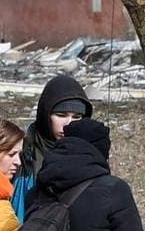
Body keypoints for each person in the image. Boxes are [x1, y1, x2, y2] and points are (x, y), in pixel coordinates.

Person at [13, 74, 92, 219]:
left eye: (76, 117)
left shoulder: (91, 155)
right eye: (61, 115)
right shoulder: (22, 150)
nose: (68, 124)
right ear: (45, 114)